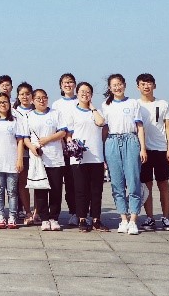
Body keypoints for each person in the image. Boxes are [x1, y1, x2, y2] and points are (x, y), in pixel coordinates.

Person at [101, 74, 147, 235]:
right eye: (114, 85)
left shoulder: (133, 103)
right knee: (117, 183)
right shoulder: (106, 105)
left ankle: (133, 220)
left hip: (130, 141)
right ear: (110, 88)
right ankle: (123, 219)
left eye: (119, 84)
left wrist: (142, 148)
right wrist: (103, 151)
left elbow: (139, 127)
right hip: (112, 142)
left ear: (125, 85)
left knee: (133, 181)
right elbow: (105, 129)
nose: (117, 87)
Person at [64, 82, 108, 232]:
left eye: (88, 91)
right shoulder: (72, 112)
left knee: (96, 190)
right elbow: (68, 135)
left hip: (96, 157)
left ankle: (96, 219)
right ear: (77, 93)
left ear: (91, 94)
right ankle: (82, 219)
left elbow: (101, 122)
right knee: (80, 189)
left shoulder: (96, 111)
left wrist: (92, 108)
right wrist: (72, 147)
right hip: (79, 157)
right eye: (82, 91)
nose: (85, 94)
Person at [23, 89, 68, 231]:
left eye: (44, 97)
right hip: (38, 158)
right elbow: (25, 137)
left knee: (56, 189)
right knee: (40, 189)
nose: (41, 100)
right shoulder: (28, 116)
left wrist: (48, 139)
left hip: (55, 157)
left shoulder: (56, 113)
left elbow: (63, 132)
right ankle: (44, 218)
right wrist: (32, 148)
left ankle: (54, 218)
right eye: (38, 98)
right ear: (32, 100)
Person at [137, 73, 169, 231]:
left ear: (154, 85)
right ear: (138, 87)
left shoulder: (163, 104)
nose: (146, 86)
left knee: (163, 183)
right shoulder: (136, 105)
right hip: (144, 150)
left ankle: (166, 218)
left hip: (161, 149)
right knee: (146, 185)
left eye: (149, 83)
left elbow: (168, 126)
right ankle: (150, 218)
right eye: (143, 84)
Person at [0, 92, 24, 229]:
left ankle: (12, 217)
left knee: (12, 192)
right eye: (0, 102)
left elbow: (20, 141)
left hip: (12, 162)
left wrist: (19, 159)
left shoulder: (15, 121)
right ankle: (0, 217)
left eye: (5, 102)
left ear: (9, 103)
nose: (3, 104)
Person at [50, 73, 79, 225]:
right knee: (56, 183)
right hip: (60, 148)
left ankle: (76, 212)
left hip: (77, 149)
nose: (68, 85)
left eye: (70, 82)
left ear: (75, 84)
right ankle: (55, 214)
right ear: (61, 86)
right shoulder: (56, 105)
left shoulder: (81, 101)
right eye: (65, 82)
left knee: (73, 183)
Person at [12, 82, 36, 224]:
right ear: (18, 96)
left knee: (39, 182)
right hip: (21, 151)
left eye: (27, 94)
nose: (25, 96)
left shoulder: (37, 110)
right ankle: (27, 211)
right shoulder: (13, 112)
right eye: (22, 94)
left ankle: (37, 212)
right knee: (23, 182)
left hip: (37, 151)